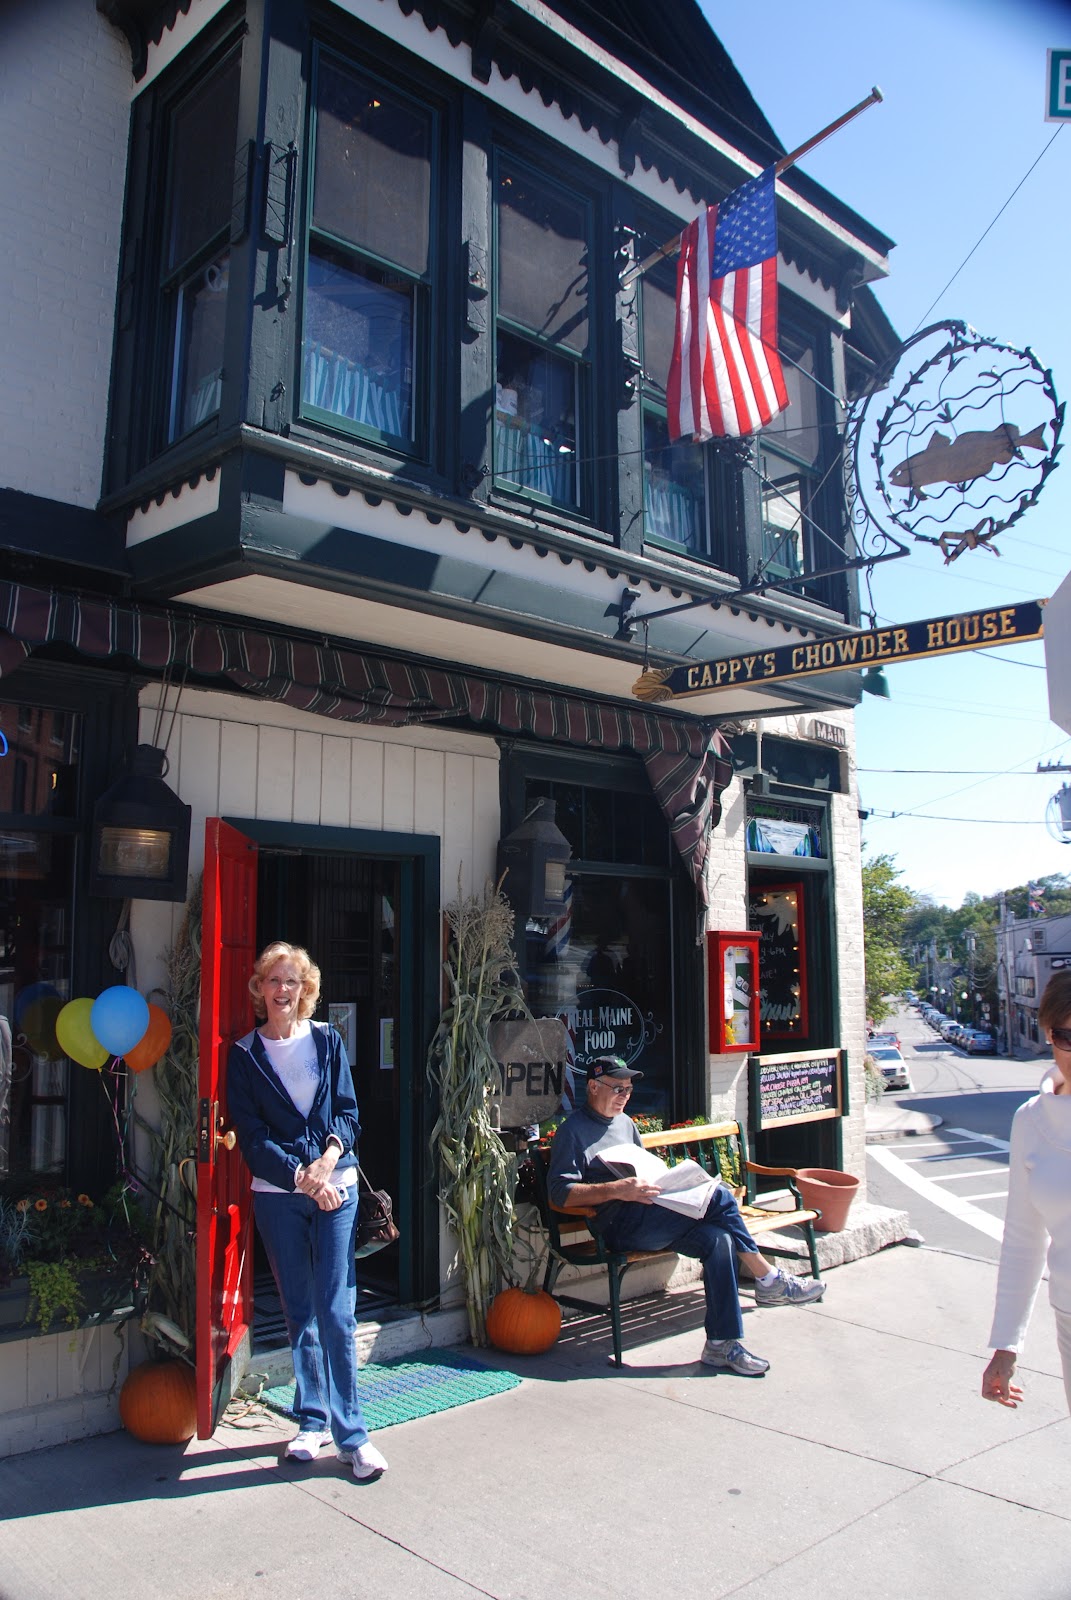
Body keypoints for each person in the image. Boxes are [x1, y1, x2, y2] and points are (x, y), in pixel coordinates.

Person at [548, 1056, 826, 1374]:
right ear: (594, 1087)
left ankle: (722, 1345)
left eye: (628, 1088)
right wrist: (617, 1189)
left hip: (655, 1215)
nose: (625, 1095)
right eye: (617, 1087)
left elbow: (645, 1168)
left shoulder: (625, 1124)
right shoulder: (572, 1132)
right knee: (720, 1196)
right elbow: (560, 1192)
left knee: (719, 1239)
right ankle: (768, 1278)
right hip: (619, 1226)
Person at [227, 941, 388, 1480]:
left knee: (336, 1308)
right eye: (272, 980)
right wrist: (299, 1178)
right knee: (300, 1308)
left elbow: (348, 1112)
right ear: (260, 990)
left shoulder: (328, 1042)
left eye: (291, 980)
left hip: (336, 1190)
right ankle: (311, 1421)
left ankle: (353, 1435)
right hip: (278, 1196)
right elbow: (251, 1137)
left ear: (306, 990)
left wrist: (326, 1162)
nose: (282, 990)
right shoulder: (245, 1054)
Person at [982, 970, 1071, 1415]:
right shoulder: (1031, 1121)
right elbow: (1023, 1240)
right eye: (1067, 1036)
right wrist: (1005, 1344)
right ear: (1048, 1035)